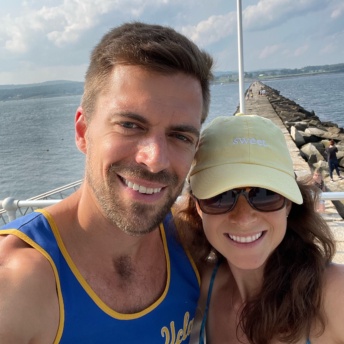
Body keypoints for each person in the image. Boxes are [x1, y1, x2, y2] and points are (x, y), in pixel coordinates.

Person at [0, 22, 213, 343]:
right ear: (83, 131)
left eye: (180, 135)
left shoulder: (190, 243)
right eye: (130, 124)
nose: (155, 158)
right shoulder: (19, 282)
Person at [174, 114, 344, 343]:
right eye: (221, 197)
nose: (243, 218)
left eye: (265, 194)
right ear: (198, 207)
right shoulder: (198, 287)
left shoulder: (333, 294)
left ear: (288, 204)